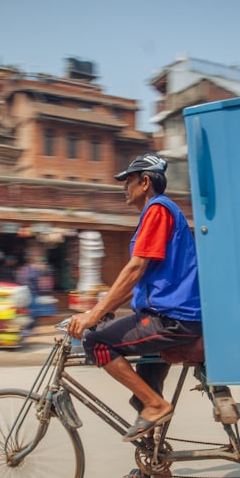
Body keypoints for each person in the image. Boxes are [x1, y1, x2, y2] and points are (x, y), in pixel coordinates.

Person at [67, 153, 202, 450]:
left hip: (171, 318)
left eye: (128, 181)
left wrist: (94, 316)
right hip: (169, 315)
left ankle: (156, 405)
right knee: (143, 392)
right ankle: (154, 463)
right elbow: (139, 280)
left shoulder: (158, 210)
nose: (124, 187)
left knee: (96, 341)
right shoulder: (157, 214)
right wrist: (106, 309)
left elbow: (135, 268)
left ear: (144, 182)